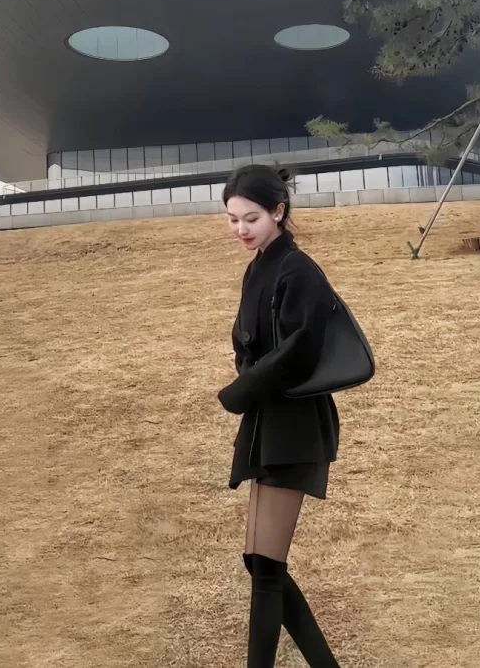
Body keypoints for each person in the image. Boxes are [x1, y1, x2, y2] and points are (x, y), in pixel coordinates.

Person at [217, 164, 342, 668]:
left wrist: (241, 390)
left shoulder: (298, 269)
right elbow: (249, 342)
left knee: (267, 566)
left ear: (278, 211)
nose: (241, 229)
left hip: (296, 425)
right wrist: (246, 378)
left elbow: (301, 350)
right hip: (268, 422)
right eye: (232, 220)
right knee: (258, 561)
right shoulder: (259, 267)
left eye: (251, 218)